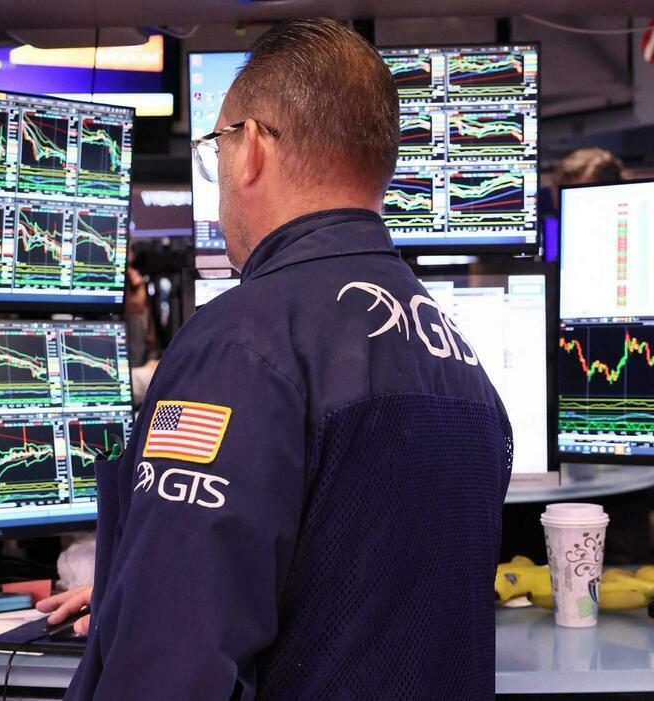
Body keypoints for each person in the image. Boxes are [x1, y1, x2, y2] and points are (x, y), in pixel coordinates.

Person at [38, 18, 513, 699]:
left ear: (253, 146)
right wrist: (132, 585)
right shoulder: (457, 356)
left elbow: (168, 667)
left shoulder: (239, 346)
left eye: (217, 148)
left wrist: (145, 604)